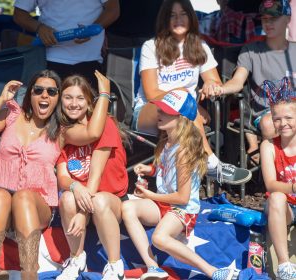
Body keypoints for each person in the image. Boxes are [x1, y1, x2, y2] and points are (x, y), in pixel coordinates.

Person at [0, 69, 111, 280]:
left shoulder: (62, 131)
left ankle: (29, 275)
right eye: (39, 90)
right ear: (30, 95)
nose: (45, 95)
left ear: (57, 99)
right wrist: (1, 99)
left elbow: (93, 133)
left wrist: (104, 95)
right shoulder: (12, 115)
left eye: (52, 92)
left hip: (35, 206)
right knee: (0, 194)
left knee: (23, 195)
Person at [122, 89, 240, 280]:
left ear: (182, 118)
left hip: (182, 209)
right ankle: (153, 267)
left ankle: (212, 270)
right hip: (164, 205)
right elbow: (166, 173)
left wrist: (150, 196)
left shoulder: (183, 151)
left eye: (166, 111)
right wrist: (149, 170)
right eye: (160, 109)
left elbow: (182, 197)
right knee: (127, 208)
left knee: (159, 238)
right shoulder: (166, 142)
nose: (159, 114)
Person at [132, 0, 251, 185]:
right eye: (172, 15)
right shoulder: (151, 46)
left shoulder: (200, 46)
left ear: (191, 17)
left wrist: (211, 86)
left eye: (183, 14)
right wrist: (191, 105)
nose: (178, 19)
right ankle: (211, 164)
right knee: (182, 98)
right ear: (164, 19)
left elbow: (215, 81)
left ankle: (185, 190)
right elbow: (151, 92)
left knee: (184, 108)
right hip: (149, 111)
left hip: (185, 116)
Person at [55, 73, 129, 280]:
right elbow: (62, 177)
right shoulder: (63, 133)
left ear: (89, 101)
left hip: (109, 199)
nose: (73, 104)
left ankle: (115, 265)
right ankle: (76, 259)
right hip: (85, 199)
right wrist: (75, 187)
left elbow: (95, 175)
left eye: (80, 98)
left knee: (99, 200)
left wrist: (82, 214)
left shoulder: (104, 123)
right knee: (67, 196)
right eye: (68, 97)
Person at [211, 0, 296, 161]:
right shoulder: (251, 51)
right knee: (271, 123)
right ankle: (277, 177)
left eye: (274, 18)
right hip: (267, 113)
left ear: (287, 19)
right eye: (264, 19)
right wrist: (220, 89)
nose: (268, 23)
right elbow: (237, 81)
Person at [13, 0, 120, 89]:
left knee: (86, 111)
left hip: (90, 59)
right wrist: (39, 28)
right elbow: (19, 14)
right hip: (48, 59)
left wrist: (92, 29)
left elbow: (113, 9)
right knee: (49, 111)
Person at [260, 78, 296, 280]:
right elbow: (271, 184)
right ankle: (284, 265)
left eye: (289, 118)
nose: (283, 124)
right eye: (277, 119)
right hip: (284, 209)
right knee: (276, 197)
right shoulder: (269, 146)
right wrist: (293, 186)